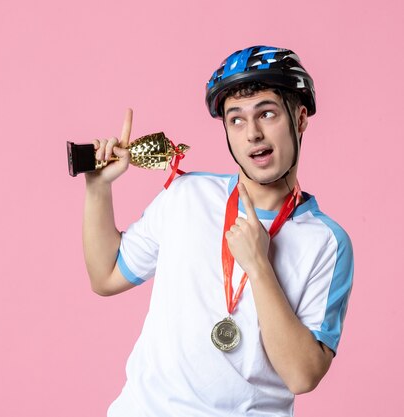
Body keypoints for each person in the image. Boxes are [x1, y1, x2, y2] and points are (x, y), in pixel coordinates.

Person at [82, 46, 354, 416]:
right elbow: (106, 276)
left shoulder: (325, 242)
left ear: (300, 118)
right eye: (236, 120)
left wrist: (258, 266)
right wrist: (98, 189)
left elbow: (301, 376)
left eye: (267, 114)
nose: (253, 134)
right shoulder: (187, 195)